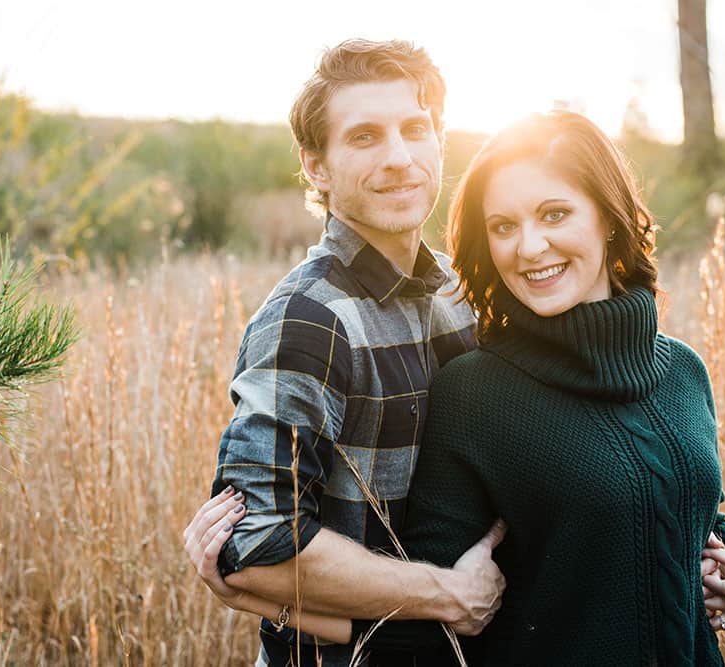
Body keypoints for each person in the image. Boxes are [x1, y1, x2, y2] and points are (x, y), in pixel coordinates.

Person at [343, 110, 725, 663]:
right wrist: (278, 600)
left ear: (609, 218)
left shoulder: (683, 371)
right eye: (504, 226)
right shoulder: (476, 394)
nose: (530, 247)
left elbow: (677, 517)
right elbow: (416, 624)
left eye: (554, 214)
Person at [182, 39, 507, 666]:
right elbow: (260, 541)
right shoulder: (308, 320)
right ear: (317, 168)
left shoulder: (465, 295)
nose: (399, 158)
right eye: (364, 137)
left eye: (416, 129)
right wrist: (447, 594)